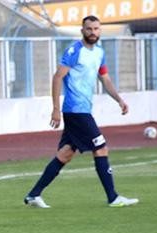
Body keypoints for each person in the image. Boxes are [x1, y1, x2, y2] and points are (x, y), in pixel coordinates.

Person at [24, 15, 138, 209]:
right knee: (100, 148)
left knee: (65, 154)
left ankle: (34, 195)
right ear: (82, 31)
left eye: (96, 29)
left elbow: (105, 79)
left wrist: (119, 99)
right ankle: (113, 197)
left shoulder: (99, 52)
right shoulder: (74, 51)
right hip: (75, 110)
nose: (93, 32)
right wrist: (55, 109)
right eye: (89, 29)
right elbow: (57, 77)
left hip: (83, 109)